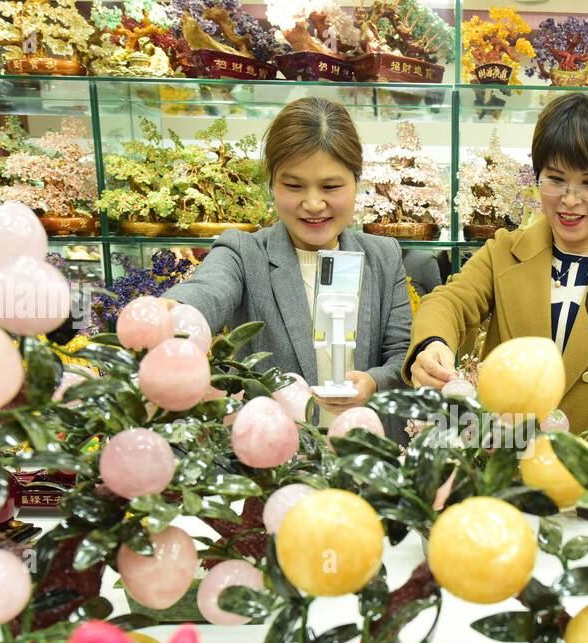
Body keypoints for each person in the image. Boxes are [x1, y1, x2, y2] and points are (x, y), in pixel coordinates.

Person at [405, 92, 588, 435]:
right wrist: (432, 344)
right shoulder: (503, 252)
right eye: (556, 179)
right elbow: (449, 302)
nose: (570, 199)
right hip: (512, 458)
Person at [162, 97, 411, 427]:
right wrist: (172, 313)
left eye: (331, 186)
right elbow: (209, 290)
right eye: (293, 186)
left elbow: (402, 354)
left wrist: (373, 382)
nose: (312, 203)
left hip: (364, 455)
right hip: (274, 464)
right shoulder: (244, 252)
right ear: (273, 184)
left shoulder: (383, 257)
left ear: (356, 183)